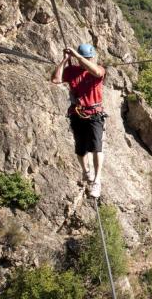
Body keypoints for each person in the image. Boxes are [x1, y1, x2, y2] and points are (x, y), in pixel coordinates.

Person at [50, 44, 106, 198]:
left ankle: (97, 180)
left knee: (97, 147)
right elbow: (55, 79)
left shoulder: (99, 70)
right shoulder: (72, 71)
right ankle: (86, 170)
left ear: (91, 58)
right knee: (80, 149)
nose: (86, 61)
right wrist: (65, 60)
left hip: (95, 114)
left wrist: (78, 56)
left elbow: (94, 71)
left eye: (88, 58)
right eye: (85, 58)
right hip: (77, 113)